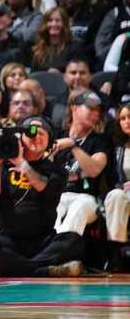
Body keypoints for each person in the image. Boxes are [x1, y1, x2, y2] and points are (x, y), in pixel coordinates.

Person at [0, 116, 86, 277]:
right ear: (20, 138)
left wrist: (22, 164)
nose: (36, 136)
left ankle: (14, 268)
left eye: (42, 133)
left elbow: (45, 187)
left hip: (42, 241)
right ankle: (42, 270)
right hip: (8, 240)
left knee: (74, 241)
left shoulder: (57, 170)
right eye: (30, 133)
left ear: (49, 142)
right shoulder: (4, 164)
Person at [52, 90, 110, 238]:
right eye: (91, 108)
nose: (95, 114)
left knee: (78, 208)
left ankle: (62, 247)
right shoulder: (57, 136)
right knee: (53, 209)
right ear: (74, 108)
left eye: (98, 110)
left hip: (87, 197)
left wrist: (73, 145)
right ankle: (55, 248)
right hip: (58, 195)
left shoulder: (100, 140)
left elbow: (94, 170)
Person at [104, 102, 130, 271]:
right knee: (115, 195)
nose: (127, 121)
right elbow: (114, 178)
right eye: (123, 118)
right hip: (125, 194)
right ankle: (116, 253)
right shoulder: (118, 148)